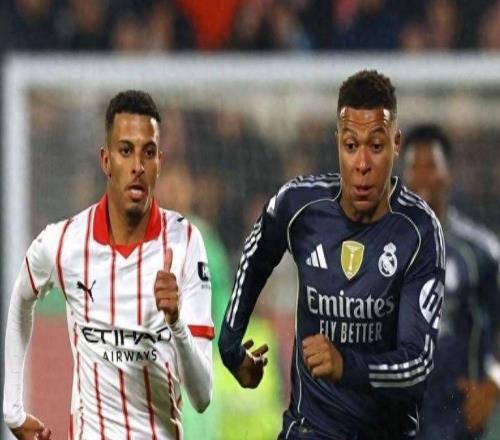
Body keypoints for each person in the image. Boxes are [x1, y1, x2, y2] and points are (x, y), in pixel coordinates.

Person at [219, 70, 446, 440]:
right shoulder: (299, 207)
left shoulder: (418, 231)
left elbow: (417, 364)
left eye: (376, 146)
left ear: (396, 144)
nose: (362, 164)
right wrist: (231, 347)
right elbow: (253, 259)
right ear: (337, 141)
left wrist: (345, 365)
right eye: (351, 145)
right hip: (310, 429)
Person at [3, 90, 214, 439]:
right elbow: (21, 299)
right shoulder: (64, 243)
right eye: (125, 151)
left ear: (159, 163)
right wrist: (12, 408)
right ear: (106, 160)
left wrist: (176, 323)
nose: (137, 166)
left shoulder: (186, 243)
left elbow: (202, 396)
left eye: (148, 153)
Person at [402, 123, 500, 440]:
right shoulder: (379, 249)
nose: (422, 176)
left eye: (431, 165)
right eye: (414, 167)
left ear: (448, 173)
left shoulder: (479, 252)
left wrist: (494, 383)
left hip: (457, 418)